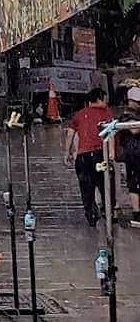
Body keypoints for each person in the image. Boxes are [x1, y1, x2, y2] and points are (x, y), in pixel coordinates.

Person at [65, 86, 114, 227]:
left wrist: (67, 152)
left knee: (86, 187)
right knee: (105, 184)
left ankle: (91, 215)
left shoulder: (79, 114)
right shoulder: (105, 113)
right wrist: (111, 153)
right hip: (100, 154)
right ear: (99, 99)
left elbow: (70, 133)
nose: (107, 103)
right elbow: (110, 133)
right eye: (105, 100)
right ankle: (108, 213)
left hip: (83, 157)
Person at [116, 87, 140, 228]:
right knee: (134, 183)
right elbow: (134, 129)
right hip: (133, 154)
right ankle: (137, 212)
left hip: (134, 153)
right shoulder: (127, 116)